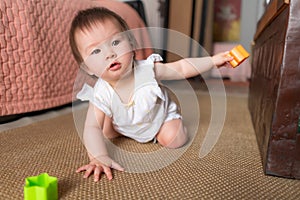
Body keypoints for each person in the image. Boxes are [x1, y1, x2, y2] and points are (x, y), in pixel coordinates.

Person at [69, 7, 233, 182]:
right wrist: (98, 157)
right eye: (96, 51)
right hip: (122, 123)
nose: (110, 54)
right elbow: (91, 128)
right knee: (103, 131)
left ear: (132, 44)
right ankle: (122, 128)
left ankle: (169, 124)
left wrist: (213, 61)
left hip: (158, 118)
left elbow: (182, 68)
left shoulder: (148, 70)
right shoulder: (101, 93)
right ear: (86, 68)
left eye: (115, 42)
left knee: (175, 139)